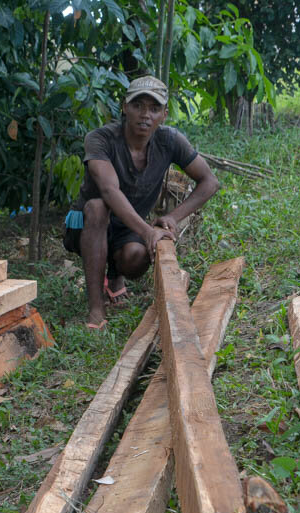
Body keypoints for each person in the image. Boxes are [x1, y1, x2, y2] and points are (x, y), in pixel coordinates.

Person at [63, 75, 220, 329]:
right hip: (86, 226)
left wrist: (172, 217)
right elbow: (109, 190)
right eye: (138, 106)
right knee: (98, 206)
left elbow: (209, 182)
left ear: (164, 115)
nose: (145, 115)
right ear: (124, 107)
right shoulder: (101, 139)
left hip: (127, 228)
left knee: (136, 256)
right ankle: (95, 307)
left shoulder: (169, 140)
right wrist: (148, 231)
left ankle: (115, 278)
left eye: (154, 109)